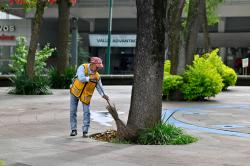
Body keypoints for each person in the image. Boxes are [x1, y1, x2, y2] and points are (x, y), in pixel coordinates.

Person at [69, 57, 109, 137]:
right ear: (92, 64)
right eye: (97, 66)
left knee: (87, 112)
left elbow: (99, 87)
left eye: (99, 67)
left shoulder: (97, 76)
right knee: (73, 111)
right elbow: (81, 78)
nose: (98, 69)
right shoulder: (83, 67)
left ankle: (85, 131)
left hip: (86, 95)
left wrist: (103, 95)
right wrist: (90, 78)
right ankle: (73, 130)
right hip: (75, 91)